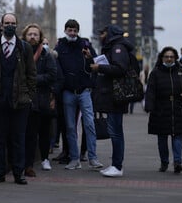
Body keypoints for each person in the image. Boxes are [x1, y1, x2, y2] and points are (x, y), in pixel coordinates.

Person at [0, 13, 36, 185]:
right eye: (7, 23)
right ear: (1, 24)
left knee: (18, 139)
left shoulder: (24, 48)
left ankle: (18, 173)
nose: (9, 26)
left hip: (20, 102)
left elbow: (31, 74)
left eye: (13, 23)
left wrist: (29, 96)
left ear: (17, 25)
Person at [54, 19, 103, 171]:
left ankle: (93, 158)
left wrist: (89, 56)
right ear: (65, 30)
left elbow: (96, 64)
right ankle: (74, 158)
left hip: (84, 91)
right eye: (70, 30)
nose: (72, 33)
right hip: (68, 92)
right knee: (70, 127)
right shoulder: (60, 46)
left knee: (89, 124)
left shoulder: (85, 45)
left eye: (75, 30)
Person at [90, 25, 132, 178]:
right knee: (115, 131)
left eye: (103, 33)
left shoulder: (118, 47)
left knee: (115, 132)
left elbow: (120, 69)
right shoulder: (113, 47)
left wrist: (99, 67)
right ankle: (115, 164)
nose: (100, 35)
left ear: (110, 34)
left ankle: (117, 166)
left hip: (116, 96)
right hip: (112, 95)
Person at [144, 46, 182, 174]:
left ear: (175, 58)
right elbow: (150, 91)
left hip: (177, 109)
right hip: (160, 109)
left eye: (171, 57)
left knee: (177, 136)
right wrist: (149, 106)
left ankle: (178, 162)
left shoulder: (180, 72)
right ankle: (164, 162)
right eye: (167, 57)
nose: (169, 59)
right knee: (162, 138)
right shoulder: (156, 73)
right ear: (162, 58)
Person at [22, 24, 57, 176]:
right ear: (25, 36)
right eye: (30, 34)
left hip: (42, 98)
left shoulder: (46, 55)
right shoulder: (21, 52)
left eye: (35, 34)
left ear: (40, 37)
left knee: (44, 131)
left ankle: (44, 158)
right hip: (27, 99)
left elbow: (51, 75)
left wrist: (33, 79)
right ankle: (28, 164)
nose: (33, 37)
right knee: (29, 133)